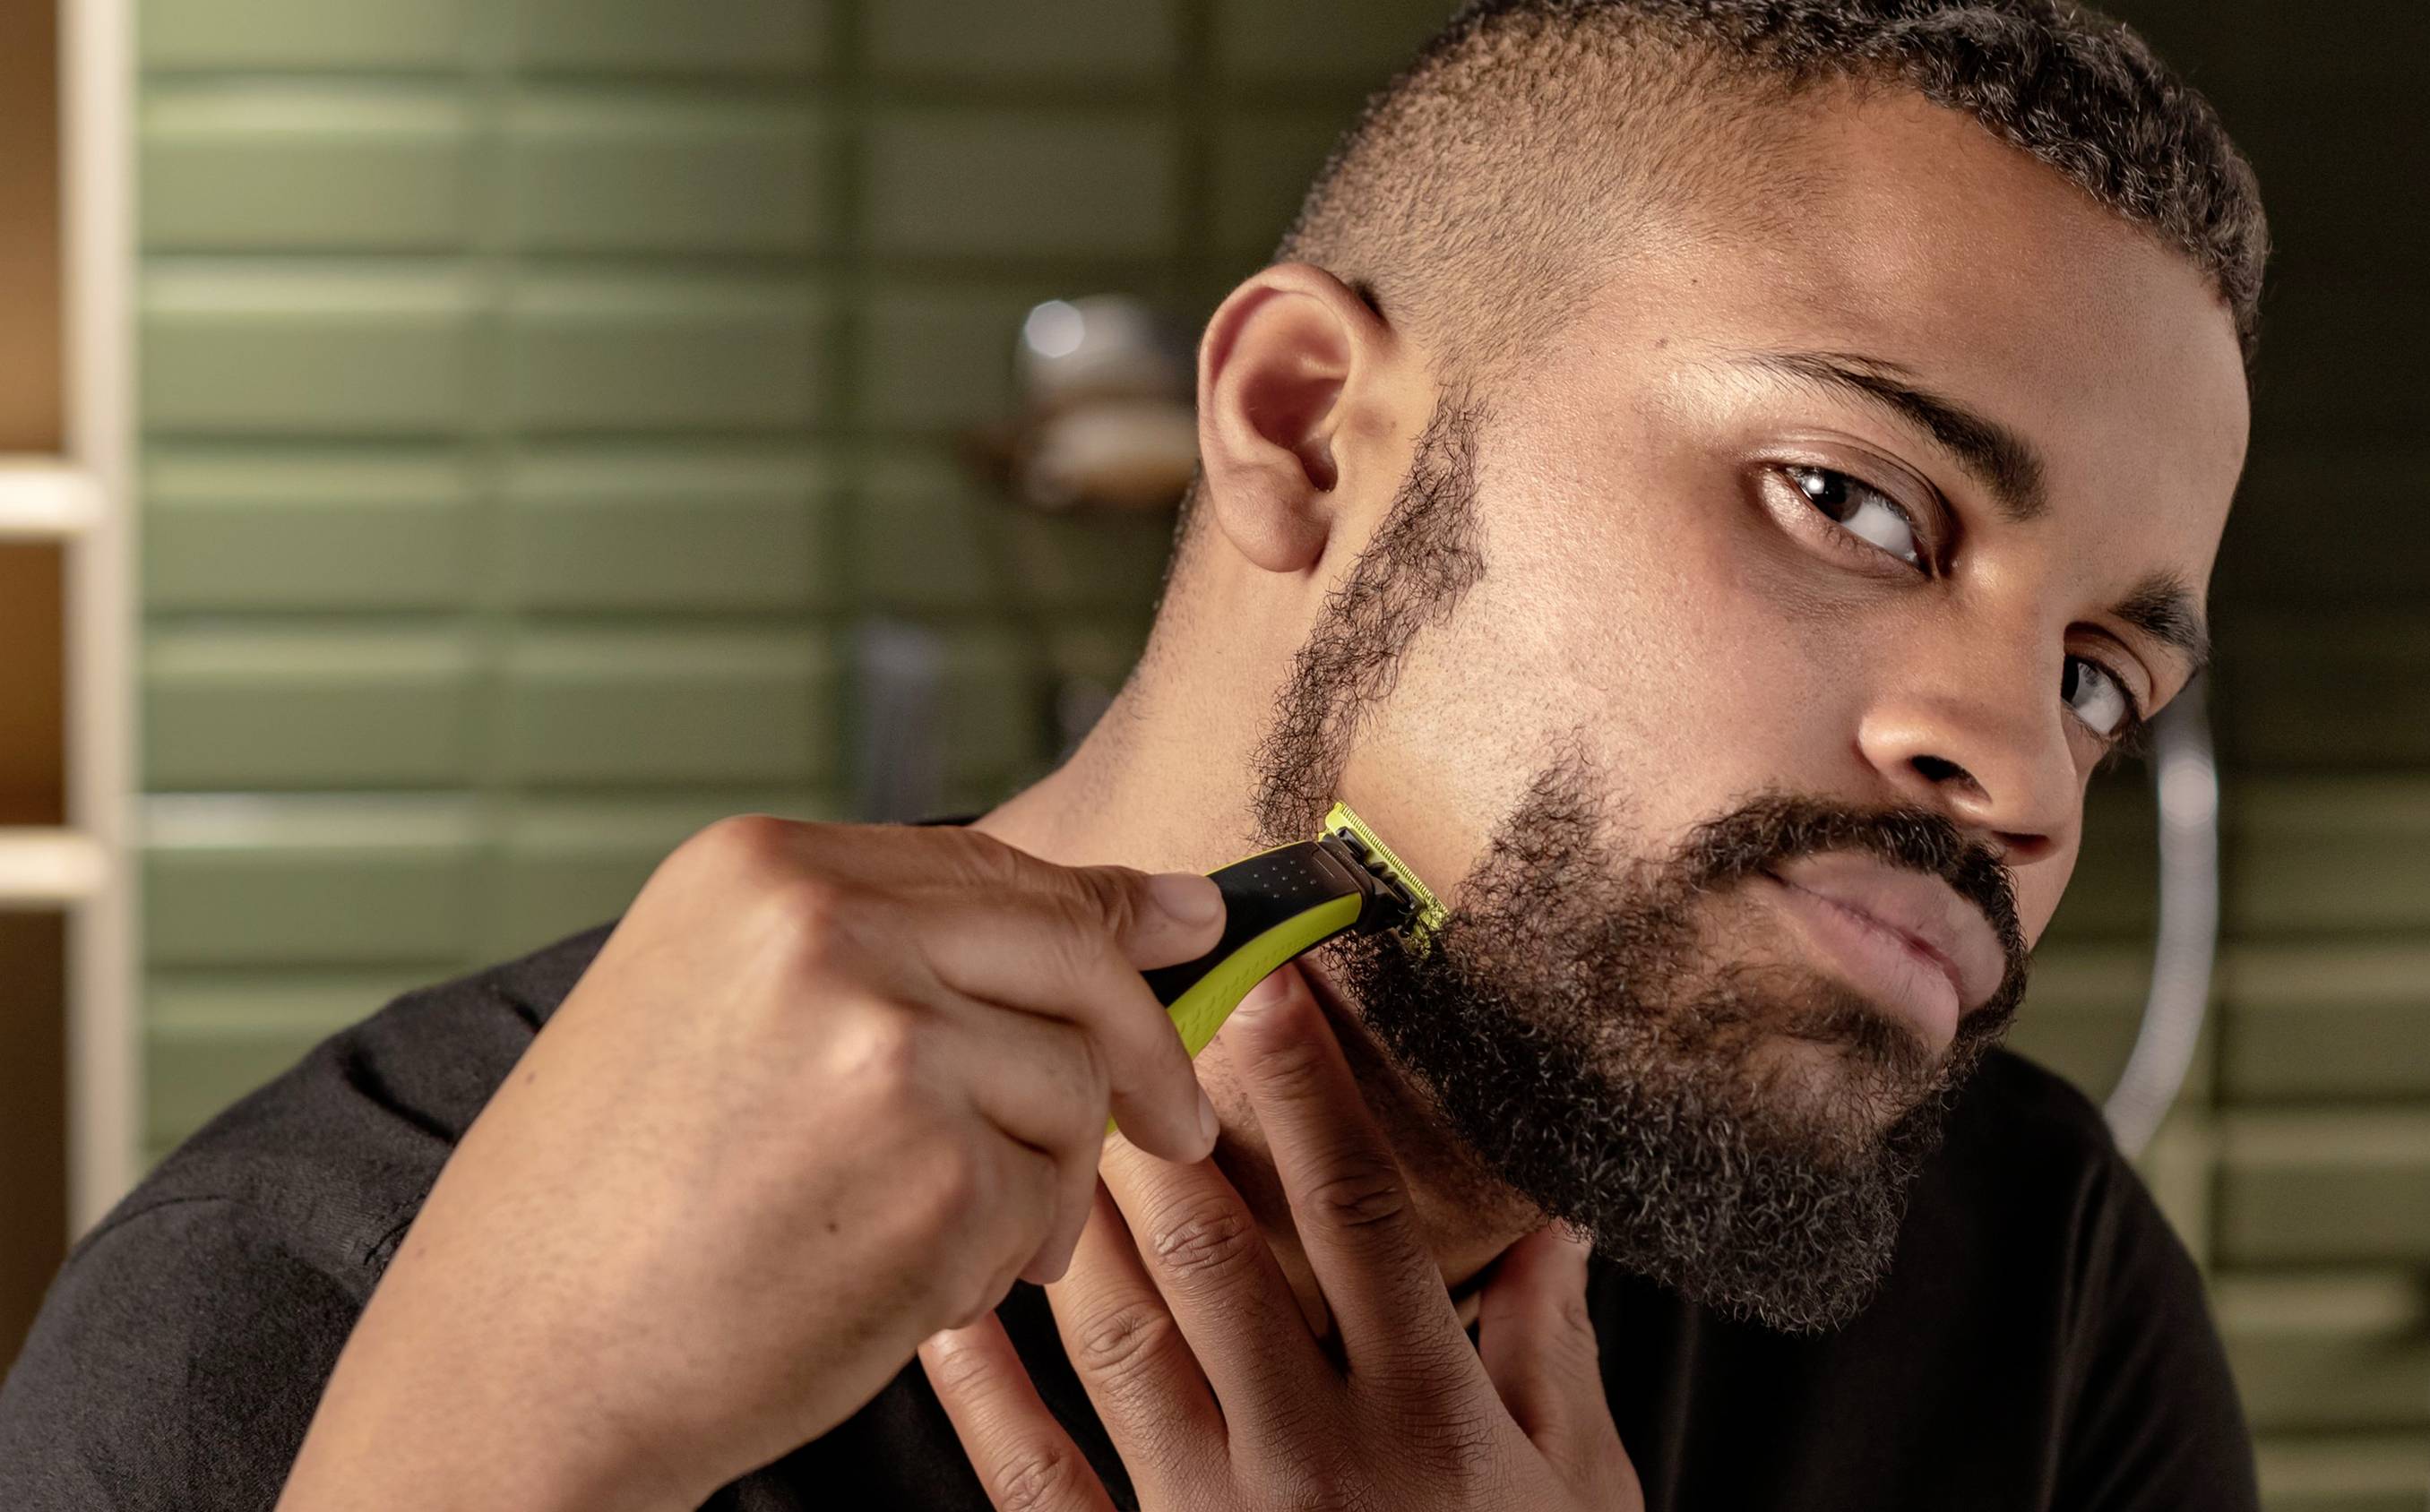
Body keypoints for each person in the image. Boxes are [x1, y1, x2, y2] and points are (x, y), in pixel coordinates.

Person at [0, 1, 2271, 1507]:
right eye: (1854, 501)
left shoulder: (2031, 1280)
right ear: (1308, 433)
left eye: (2097, 674)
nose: (2023, 774)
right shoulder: (329, 1306)